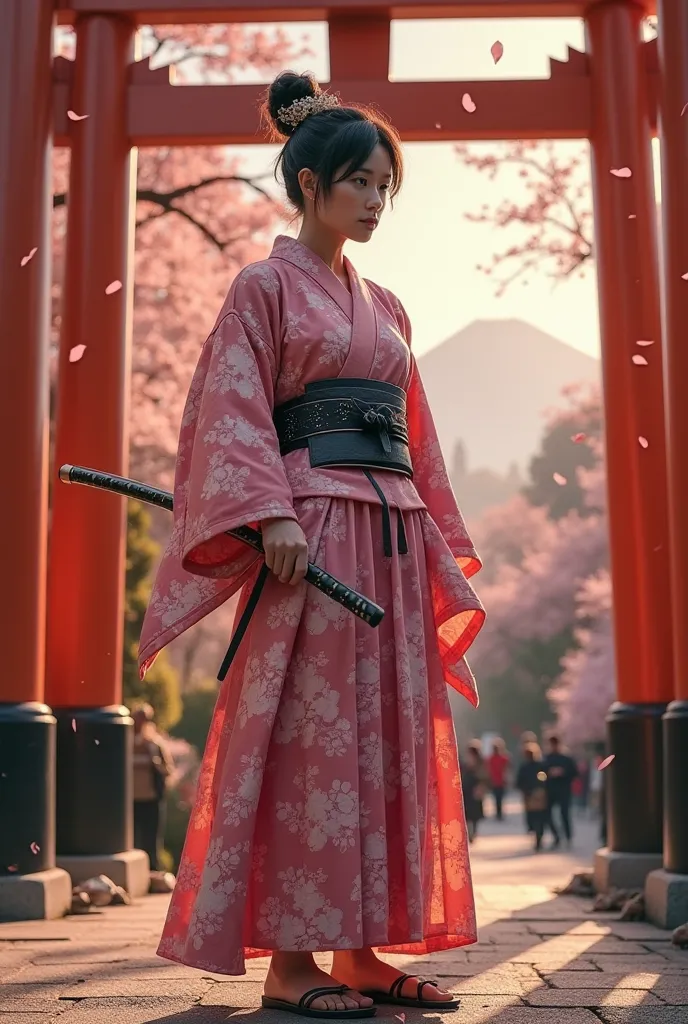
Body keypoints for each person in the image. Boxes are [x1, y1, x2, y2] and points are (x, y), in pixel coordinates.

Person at [137, 70, 485, 1018]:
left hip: (391, 538)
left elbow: (417, 435)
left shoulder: (395, 311)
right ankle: (293, 966)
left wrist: (435, 543)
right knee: (313, 743)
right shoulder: (261, 289)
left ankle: (362, 951)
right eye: (361, 183)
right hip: (315, 541)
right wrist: (272, 513)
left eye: (386, 187)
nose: (376, 202)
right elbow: (229, 409)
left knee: (386, 740)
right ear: (309, 186)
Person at [132, 703, 174, 872]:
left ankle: (153, 870)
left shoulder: (155, 743)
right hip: (130, 800)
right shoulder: (125, 741)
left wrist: (154, 763)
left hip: (151, 797)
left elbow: (167, 769)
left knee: (152, 839)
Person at [543, 735, 578, 848]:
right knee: (547, 815)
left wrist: (563, 772)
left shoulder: (566, 759)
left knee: (565, 814)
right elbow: (540, 774)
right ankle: (556, 836)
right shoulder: (546, 759)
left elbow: (574, 773)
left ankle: (568, 837)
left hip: (563, 789)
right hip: (550, 790)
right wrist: (549, 773)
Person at [515, 742, 549, 851]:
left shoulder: (526, 767)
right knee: (539, 816)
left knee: (532, 816)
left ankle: (536, 834)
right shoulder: (540, 765)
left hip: (531, 795)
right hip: (538, 795)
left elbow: (519, 782)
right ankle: (538, 835)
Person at [460, 742, 489, 842]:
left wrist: (482, 787)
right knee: (467, 811)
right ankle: (470, 831)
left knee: (475, 812)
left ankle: (474, 831)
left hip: (476, 789)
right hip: (466, 789)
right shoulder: (465, 762)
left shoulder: (480, 763)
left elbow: (484, 776)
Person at [486, 738, 510, 821]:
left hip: (500, 781)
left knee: (499, 798)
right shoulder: (491, 759)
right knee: (497, 798)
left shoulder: (503, 758)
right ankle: (498, 813)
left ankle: (499, 813)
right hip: (495, 781)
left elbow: (507, 769)